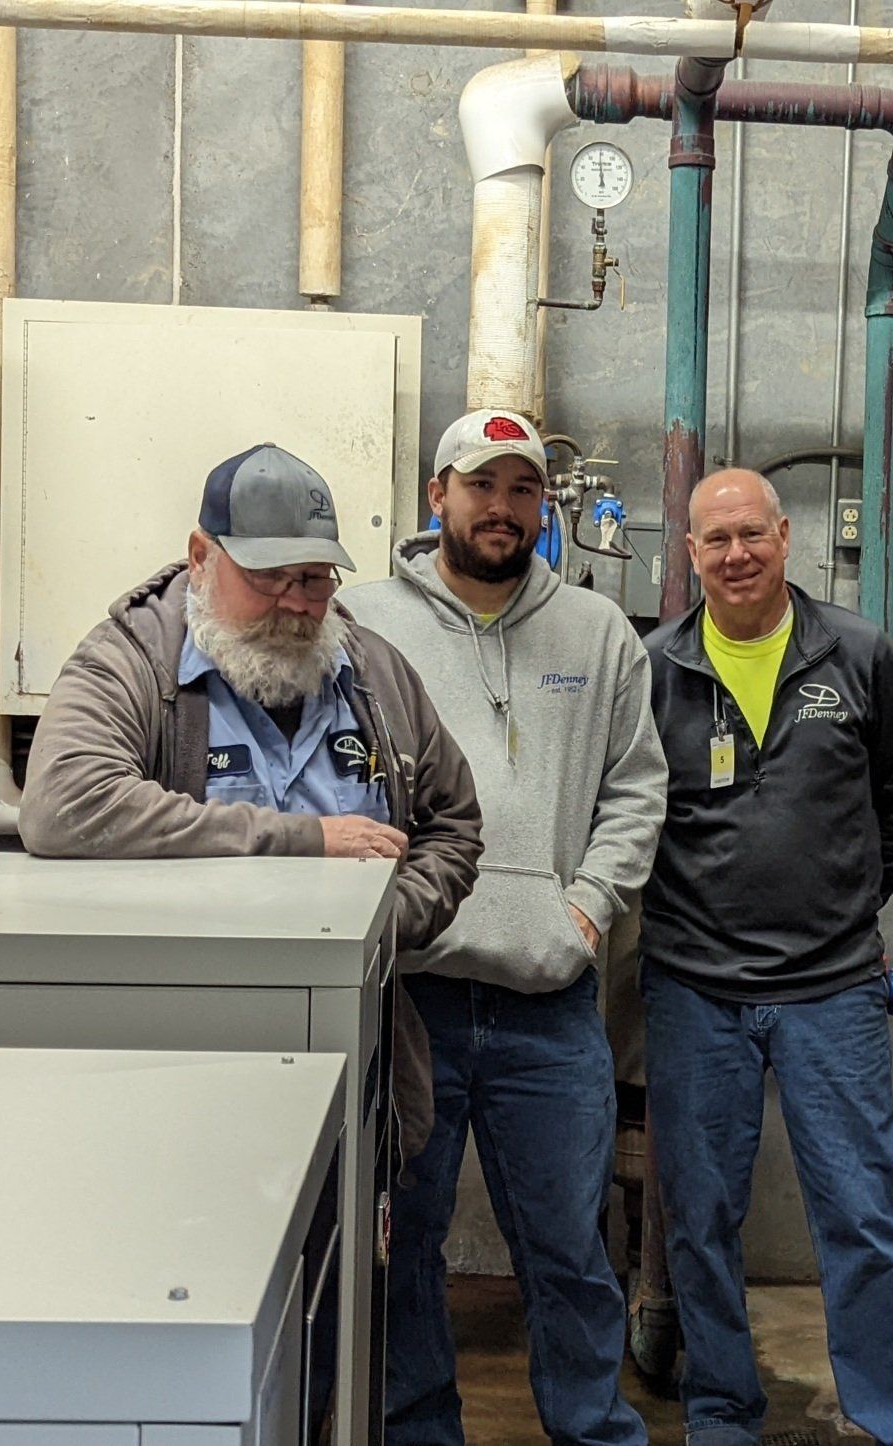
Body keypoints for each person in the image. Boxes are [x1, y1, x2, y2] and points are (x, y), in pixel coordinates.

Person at [19, 441, 484, 1158]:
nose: (297, 603)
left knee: (368, 1256)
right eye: (269, 576)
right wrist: (306, 840)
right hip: (177, 1058)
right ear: (202, 555)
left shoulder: (373, 674)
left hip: (354, 1052)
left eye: (316, 578)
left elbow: (453, 824)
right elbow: (64, 803)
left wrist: (376, 926)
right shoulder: (132, 661)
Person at [351, 409, 665, 1446]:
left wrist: (583, 909)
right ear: (436, 495)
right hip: (411, 1002)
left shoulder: (597, 631)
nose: (501, 507)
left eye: (521, 489)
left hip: (550, 1003)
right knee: (405, 1248)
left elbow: (636, 794)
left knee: (569, 1254)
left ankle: (592, 1431)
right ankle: (417, 1431)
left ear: (543, 506)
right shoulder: (361, 623)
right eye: (479, 485)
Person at [638, 468, 893, 1446]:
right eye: (714, 540)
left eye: (751, 535)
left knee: (863, 1218)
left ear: (785, 538)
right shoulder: (656, 667)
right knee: (699, 1220)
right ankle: (724, 1416)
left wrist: (847, 900)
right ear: (690, 555)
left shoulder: (856, 653)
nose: (735, 554)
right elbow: (628, 813)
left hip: (832, 989)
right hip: (695, 987)